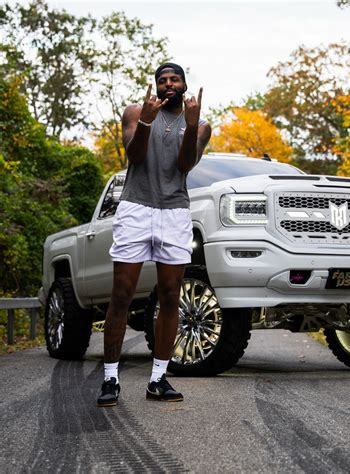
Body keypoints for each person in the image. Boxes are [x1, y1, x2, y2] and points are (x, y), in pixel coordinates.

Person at [97, 62, 212, 407]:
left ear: (184, 85)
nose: (168, 84)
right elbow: (134, 156)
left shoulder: (200, 125)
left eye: (174, 79)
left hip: (174, 211)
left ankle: (158, 379)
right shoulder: (135, 112)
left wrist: (190, 125)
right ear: (156, 86)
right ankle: (110, 379)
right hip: (136, 207)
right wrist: (146, 122)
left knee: (171, 295)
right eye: (162, 80)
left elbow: (185, 165)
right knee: (121, 294)